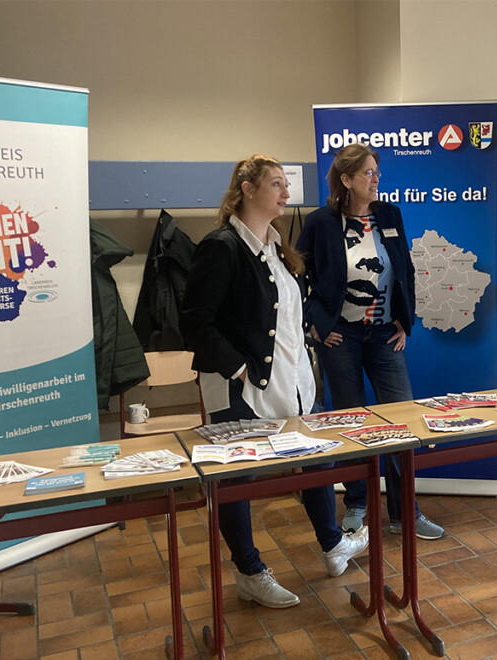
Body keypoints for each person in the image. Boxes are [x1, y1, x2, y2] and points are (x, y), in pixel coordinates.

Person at [180, 155, 369, 609]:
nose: (286, 192)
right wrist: (240, 370)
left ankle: (332, 544)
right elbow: (194, 323)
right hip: (239, 386)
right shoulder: (222, 246)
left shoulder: (277, 247)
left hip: (293, 379)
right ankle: (249, 571)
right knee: (236, 477)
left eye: (286, 184)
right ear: (247, 189)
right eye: (276, 184)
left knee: (316, 458)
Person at [297, 143, 445, 541]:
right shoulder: (320, 222)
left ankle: (405, 513)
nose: (376, 179)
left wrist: (405, 321)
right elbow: (298, 277)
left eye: (377, 172)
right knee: (352, 424)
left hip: (383, 335)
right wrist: (314, 324)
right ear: (346, 180)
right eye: (367, 173)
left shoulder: (389, 215)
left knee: (402, 423)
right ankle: (357, 504)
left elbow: (405, 270)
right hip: (339, 337)